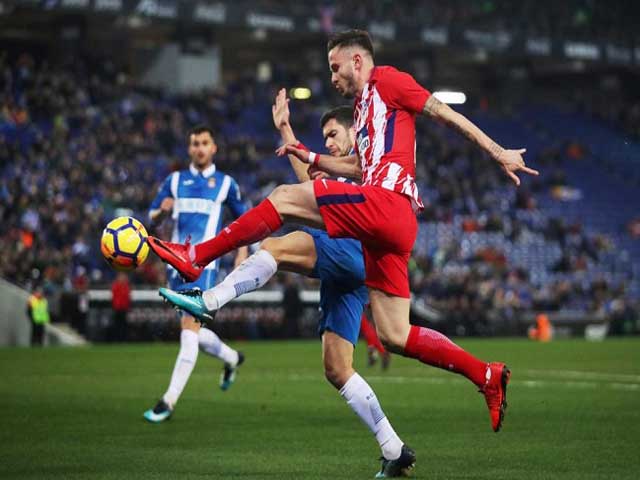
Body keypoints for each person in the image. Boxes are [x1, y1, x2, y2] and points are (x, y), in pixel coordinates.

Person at [148, 29, 539, 470]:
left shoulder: (388, 81)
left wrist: (497, 151)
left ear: (357, 61)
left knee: (282, 200)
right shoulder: (365, 111)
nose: (331, 76)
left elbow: (441, 112)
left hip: (387, 208)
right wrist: (305, 151)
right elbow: (354, 166)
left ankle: (195, 258)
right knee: (394, 335)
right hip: (384, 228)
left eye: (335, 67)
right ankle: (483, 376)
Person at [159, 92, 410, 477]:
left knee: (274, 245)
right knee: (337, 369)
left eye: (332, 134)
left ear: (353, 131)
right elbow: (307, 188)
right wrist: (284, 129)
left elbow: (308, 196)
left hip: (354, 250)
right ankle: (393, 448)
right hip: (352, 271)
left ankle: (209, 300)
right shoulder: (337, 168)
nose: (326, 143)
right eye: (323, 137)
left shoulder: (366, 163)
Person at [143, 125, 249, 423]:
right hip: (174, 266)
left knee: (188, 334)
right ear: (189, 149)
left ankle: (168, 401)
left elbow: (245, 219)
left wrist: (243, 251)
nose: (199, 148)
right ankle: (230, 358)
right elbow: (150, 216)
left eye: (204, 143)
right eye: (194, 143)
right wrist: (161, 212)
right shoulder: (174, 181)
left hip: (205, 267)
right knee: (192, 331)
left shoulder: (226, 183)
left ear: (213, 147)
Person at [110, 272, 130, 342]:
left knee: (123, 325)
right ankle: (117, 339)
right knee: (117, 325)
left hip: (123, 308)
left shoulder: (125, 286)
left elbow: (127, 297)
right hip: (117, 308)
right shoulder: (116, 285)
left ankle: (122, 339)